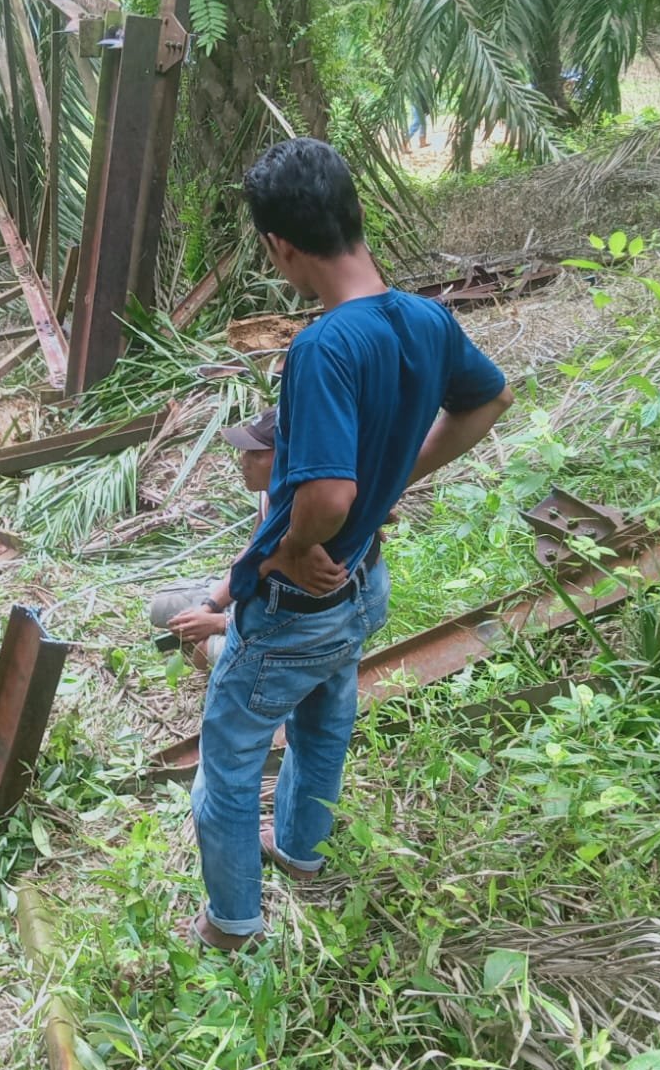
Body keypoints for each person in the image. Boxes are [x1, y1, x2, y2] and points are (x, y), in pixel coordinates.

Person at [189, 139, 513, 950]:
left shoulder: (323, 346)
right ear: (353, 213)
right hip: (363, 582)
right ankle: (301, 851)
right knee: (325, 720)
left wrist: (296, 545)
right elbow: (488, 400)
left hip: (301, 599)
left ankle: (232, 925)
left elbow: (327, 495)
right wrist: (395, 478)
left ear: (280, 246)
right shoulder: (427, 318)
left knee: (228, 759)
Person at [149, 408, 276, 669]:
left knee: (202, 652)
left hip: (278, 616)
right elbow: (250, 555)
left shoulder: (301, 511)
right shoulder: (267, 492)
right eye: (245, 451)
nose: (244, 461)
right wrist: (209, 607)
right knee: (159, 608)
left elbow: (293, 611)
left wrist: (220, 623)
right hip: (252, 593)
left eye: (256, 454)